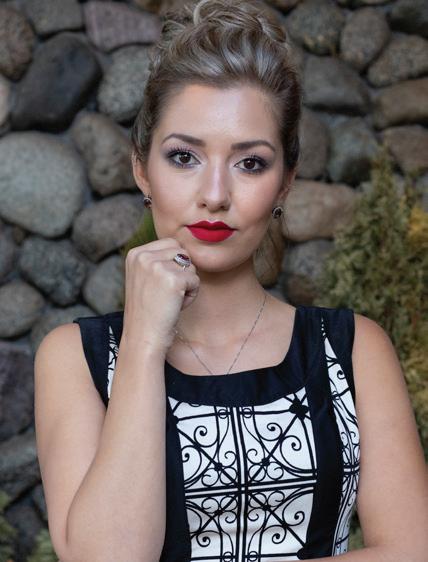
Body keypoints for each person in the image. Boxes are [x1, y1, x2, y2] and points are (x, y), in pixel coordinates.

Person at [34, 0, 427, 561]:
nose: (215, 194)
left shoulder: (352, 349)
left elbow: (411, 551)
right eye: (184, 157)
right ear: (142, 169)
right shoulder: (75, 358)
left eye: (250, 163)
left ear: (285, 181)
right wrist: (143, 344)